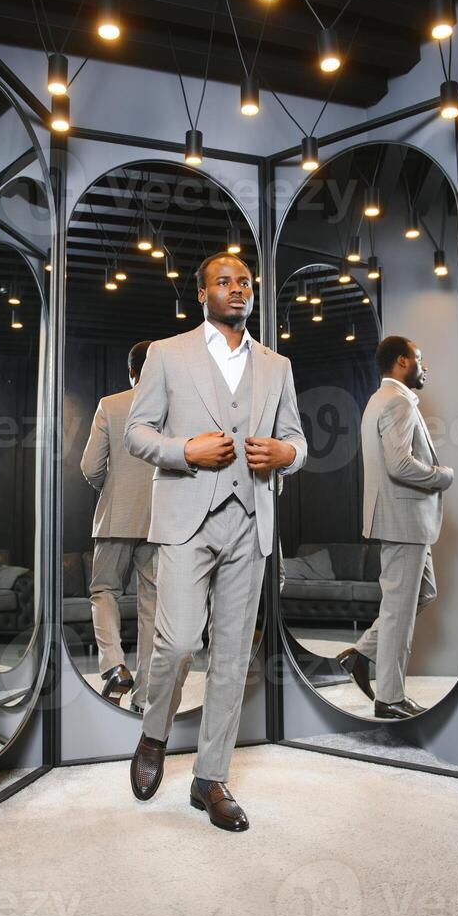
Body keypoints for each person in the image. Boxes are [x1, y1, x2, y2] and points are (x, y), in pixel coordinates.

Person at [124, 252, 306, 831]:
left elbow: (297, 440)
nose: (237, 290)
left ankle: (210, 777)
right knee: (177, 643)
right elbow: (136, 432)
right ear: (203, 293)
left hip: (250, 521)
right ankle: (154, 734)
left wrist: (286, 455)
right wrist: (186, 451)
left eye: (244, 283)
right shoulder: (166, 353)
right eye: (224, 282)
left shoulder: (276, 365)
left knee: (231, 656)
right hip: (185, 517)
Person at [337, 336, 454, 719]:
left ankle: (361, 652)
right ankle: (389, 698)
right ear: (403, 361)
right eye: (419, 360)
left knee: (422, 594)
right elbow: (400, 465)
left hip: (406, 522)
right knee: (398, 611)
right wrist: (442, 476)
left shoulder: (377, 399)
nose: (424, 368)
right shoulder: (398, 402)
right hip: (404, 521)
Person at [80, 341, 157, 713]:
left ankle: (113, 665)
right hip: (160, 520)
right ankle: (144, 698)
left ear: (131, 371)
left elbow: (91, 466)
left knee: (104, 590)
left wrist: (110, 488)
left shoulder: (110, 405)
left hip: (115, 516)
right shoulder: (174, 410)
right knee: (153, 607)